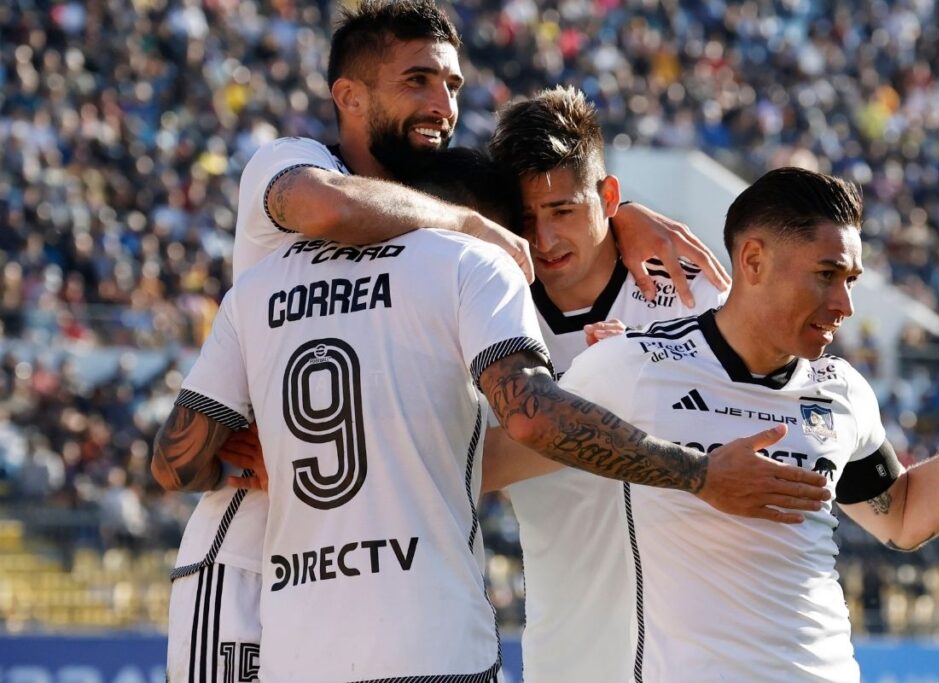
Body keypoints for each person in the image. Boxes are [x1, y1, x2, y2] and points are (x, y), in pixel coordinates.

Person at [162, 1, 732, 678]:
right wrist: (477, 232)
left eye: (453, 85)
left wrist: (617, 218)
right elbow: (331, 206)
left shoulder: (433, 243)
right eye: (418, 81)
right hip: (249, 562)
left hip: (374, 606)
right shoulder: (295, 164)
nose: (443, 103)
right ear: (346, 95)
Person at [149, 152, 816, 682]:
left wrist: (262, 452)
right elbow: (527, 422)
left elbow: (173, 463)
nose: (535, 245)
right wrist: (695, 469)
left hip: (294, 628)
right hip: (428, 632)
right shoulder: (467, 263)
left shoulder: (262, 285)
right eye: (519, 230)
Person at [551, 167, 939, 682]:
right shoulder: (633, 364)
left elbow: (903, 517)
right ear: (753, 260)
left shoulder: (841, 388)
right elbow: (515, 445)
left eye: (850, 281)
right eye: (826, 275)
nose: (844, 305)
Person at [480, 85, 801, 683]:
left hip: (706, 657)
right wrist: (596, 390)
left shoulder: (694, 293)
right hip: (570, 655)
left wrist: (647, 380)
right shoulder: (493, 317)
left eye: (564, 212)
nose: (546, 241)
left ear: (608, 197)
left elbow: (765, 428)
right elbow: (476, 466)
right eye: (527, 219)